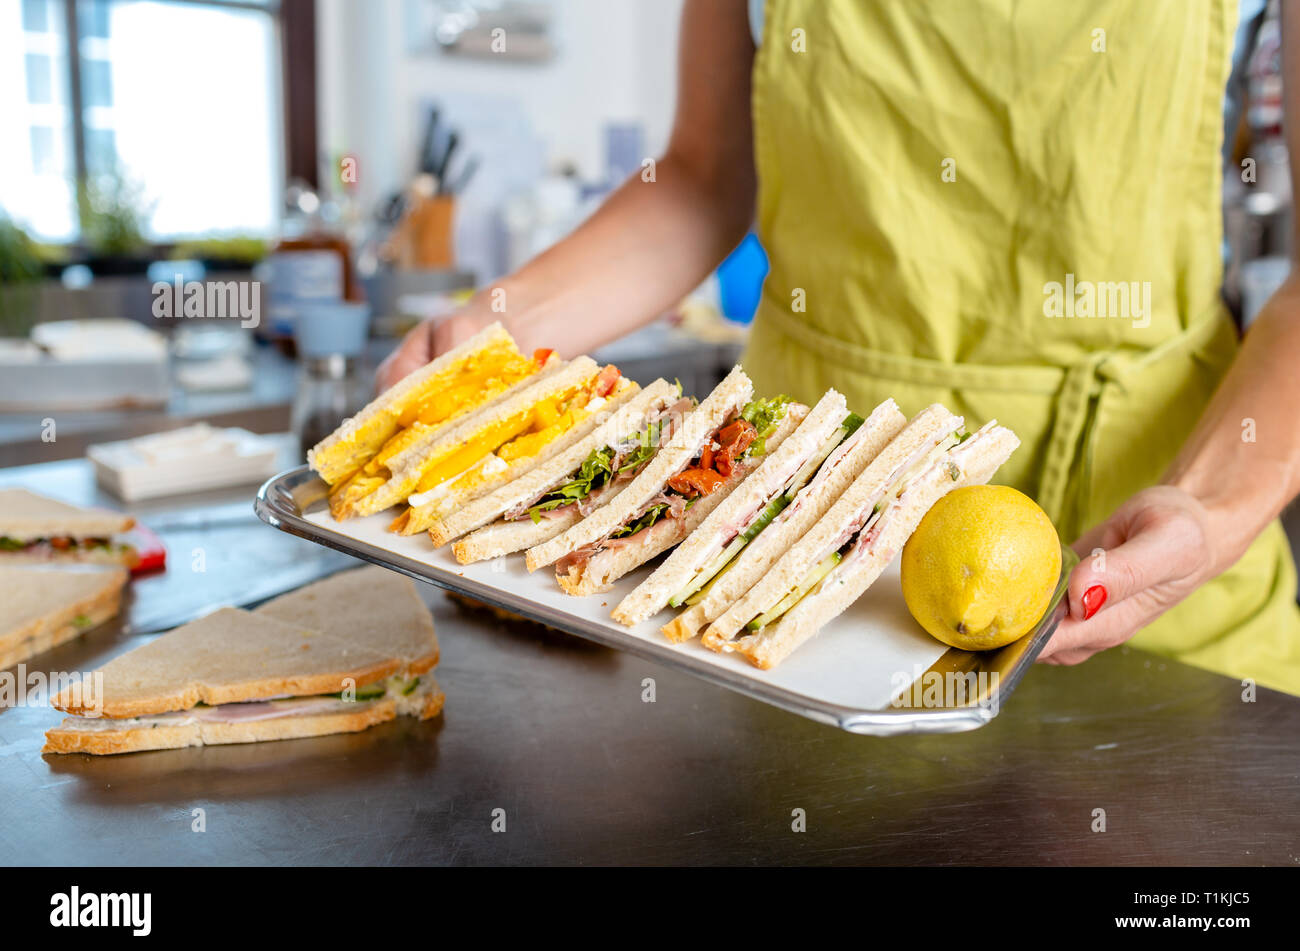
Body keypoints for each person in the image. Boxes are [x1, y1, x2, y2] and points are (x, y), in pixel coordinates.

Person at [378, 0, 1300, 694]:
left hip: (1167, 553)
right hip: (778, 531)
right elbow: (701, 176)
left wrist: (1212, 510)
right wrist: (504, 324)